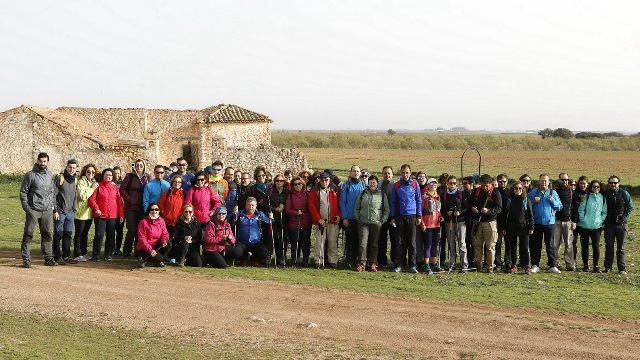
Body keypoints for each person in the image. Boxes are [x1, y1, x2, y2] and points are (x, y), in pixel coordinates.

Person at [19, 152, 57, 267]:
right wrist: (27, 209)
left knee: (47, 234)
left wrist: (53, 207)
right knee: (28, 234)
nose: (42, 163)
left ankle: (48, 258)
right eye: (41, 161)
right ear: (37, 161)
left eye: (45, 161)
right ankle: (26, 258)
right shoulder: (30, 175)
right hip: (33, 210)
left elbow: (53, 193)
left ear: (48, 162)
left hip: (47, 210)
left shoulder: (50, 175)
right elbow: (23, 192)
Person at [389, 164, 422, 273]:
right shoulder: (397, 185)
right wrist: (392, 216)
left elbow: (418, 201)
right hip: (399, 216)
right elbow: (393, 202)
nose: (405, 174)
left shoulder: (415, 184)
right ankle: (398, 265)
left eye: (407, 172)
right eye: (403, 172)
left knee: (412, 243)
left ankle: (412, 265)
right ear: (400, 173)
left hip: (412, 216)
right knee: (399, 242)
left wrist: (419, 215)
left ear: (410, 173)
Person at [185, 171, 222, 267]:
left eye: (202, 179)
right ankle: (194, 259)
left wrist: (213, 211)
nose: (200, 181)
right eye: (198, 180)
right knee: (195, 240)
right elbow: (188, 204)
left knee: (206, 241)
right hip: (195, 221)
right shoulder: (192, 190)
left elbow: (217, 201)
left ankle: (206, 260)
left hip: (206, 220)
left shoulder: (208, 190)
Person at [528, 173, 562, 274]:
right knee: (536, 245)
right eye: (542, 180)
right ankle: (535, 265)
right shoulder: (534, 192)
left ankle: (552, 265)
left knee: (551, 245)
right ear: (539, 181)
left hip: (549, 223)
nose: (544, 182)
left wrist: (552, 201)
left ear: (549, 182)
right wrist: (533, 201)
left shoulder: (553, 193)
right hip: (537, 223)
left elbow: (559, 207)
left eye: (545, 181)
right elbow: (527, 205)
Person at [88, 168, 125, 261]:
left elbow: (119, 202)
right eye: (106, 175)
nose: (108, 176)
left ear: (112, 177)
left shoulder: (115, 187)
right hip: (101, 215)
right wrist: (96, 209)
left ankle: (108, 254)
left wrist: (121, 214)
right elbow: (92, 199)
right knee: (99, 235)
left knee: (110, 235)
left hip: (112, 215)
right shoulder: (98, 186)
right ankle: (96, 254)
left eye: (110, 175)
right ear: (103, 175)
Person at [353, 175, 388, 272]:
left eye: (374, 183)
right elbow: (357, 206)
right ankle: (362, 264)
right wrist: (358, 218)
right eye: (371, 182)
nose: (372, 184)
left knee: (374, 244)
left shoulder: (382, 195)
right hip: (363, 222)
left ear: (377, 184)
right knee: (362, 244)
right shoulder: (363, 193)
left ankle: (373, 263)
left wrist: (382, 221)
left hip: (376, 223)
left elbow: (386, 210)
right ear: (368, 183)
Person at [470, 174, 502, 273]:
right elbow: (470, 203)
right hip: (477, 222)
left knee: (490, 246)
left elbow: (499, 208)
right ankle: (478, 264)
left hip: (490, 222)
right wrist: (473, 208)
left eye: (487, 186)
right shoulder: (476, 191)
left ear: (490, 184)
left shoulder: (495, 193)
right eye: (483, 185)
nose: (485, 188)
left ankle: (490, 266)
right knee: (477, 244)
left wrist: (488, 211)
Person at [120, 159, 151, 258]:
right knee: (132, 229)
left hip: (142, 207)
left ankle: (138, 252)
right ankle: (126, 251)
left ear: (144, 166)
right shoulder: (129, 176)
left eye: (141, 165)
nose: (139, 167)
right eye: (137, 165)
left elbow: (150, 190)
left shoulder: (147, 177)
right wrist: (129, 199)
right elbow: (122, 189)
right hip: (131, 207)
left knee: (140, 231)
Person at [603, 175, 634, 274]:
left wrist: (623, 218)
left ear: (618, 183)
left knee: (621, 247)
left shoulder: (624, 193)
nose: (613, 184)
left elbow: (630, 207)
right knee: (609, 247)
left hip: (621, 225)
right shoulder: (605, 194)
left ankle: (622, 268)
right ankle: (608, 267)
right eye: (611, 183)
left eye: (615, 183)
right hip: (609, 224)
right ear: (608, 184)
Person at [502, 180, 534, 274]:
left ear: (523, 189)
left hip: (524, 227)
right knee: (513, 247)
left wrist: (531, 226)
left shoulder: (526, 200)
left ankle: (527, 266)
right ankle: (514, 265)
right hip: (511, 227)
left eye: (520, 188)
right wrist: (504, 227)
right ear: (513, 189)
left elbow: (530, 214)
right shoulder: (509, 200)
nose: (518, 190)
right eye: (516, 188)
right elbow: (504, 214)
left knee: (524, 247)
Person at [52, 159, 78, 265]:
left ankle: (66, 256)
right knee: (58, 234)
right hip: (60, 212)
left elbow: (75, 195)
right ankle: (57, 256)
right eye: (70, 167)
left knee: (68, 234)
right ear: (66, 167)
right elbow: (53, 195)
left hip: (70, 213)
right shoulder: (60, 178)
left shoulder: (75, 180)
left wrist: (74, 209)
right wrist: (55, 210)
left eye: (73, 168)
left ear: (76, 169)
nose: (71, 170)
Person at [577, 180, 607, 273]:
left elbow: (604, 212)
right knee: (584, 246)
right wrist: (583, 219)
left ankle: (596, 266)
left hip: (597, 226)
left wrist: (600, 220)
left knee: (596, 246)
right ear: (591, 187)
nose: (596, 188)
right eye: (594, 187)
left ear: (600, 188)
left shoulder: (603, 198)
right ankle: (585, 265)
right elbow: (581, 209)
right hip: (584, 226)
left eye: (598, 187)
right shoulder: (587, 197)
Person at [339, 165, 365, 268]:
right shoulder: (346, 185)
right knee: (349, 240)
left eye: (358, 171)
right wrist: (344, 217)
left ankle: (357, 259)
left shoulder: (364, 184)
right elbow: (342, 202)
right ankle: (348, 260)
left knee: (359, 241)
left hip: (361, 218)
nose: (356, 173)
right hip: (349, 218)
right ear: (350, 173)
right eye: (354, 171)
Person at [235, 197, 273, 265]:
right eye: (249, 205)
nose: (250, 207)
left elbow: (269, 223)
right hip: (242, 242)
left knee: (264, 252)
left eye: (252, 205)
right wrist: (234, 214)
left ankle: (253, 259)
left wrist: (271, 218)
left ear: (256, 206)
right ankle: (244, 258)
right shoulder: (240, 213)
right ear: (245, 205)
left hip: (256, 242)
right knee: (236, 252)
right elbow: (230, 221)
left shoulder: (260, 214)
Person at [442, 175, 468, 271]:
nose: (452, 185)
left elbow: (466, 208)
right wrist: (447, 213)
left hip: (460, 222)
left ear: (456, 184)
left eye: (454, 183)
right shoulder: (444, 195)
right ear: (447, 184)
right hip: (448, 222)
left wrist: (459, 212)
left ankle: (464, 264)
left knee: (462, 243)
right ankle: (452, 263)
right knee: (451, 244)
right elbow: (441, 209)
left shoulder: (461, 194)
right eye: (450, 183)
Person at [135, 203, 171, 268]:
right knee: (159, 258)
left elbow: (165, 233)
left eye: (156, 209)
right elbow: (141, 239)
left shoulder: (161, 221)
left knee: (168, 244)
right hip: (144, 248)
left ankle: (157, 260)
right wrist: (150, 250)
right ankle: (142, 258)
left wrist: (164, 241)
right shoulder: (143, 222)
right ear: (149, 210)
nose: (154, 211)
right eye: (152, 209)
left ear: (159, 211)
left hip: (156, 246)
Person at [286, 176, 312, 266]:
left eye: (299, 184)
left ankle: (305, 259)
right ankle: (294, 259)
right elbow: (288, 209)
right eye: (295, 184)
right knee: (294, 242)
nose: (297, 186)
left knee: (305, 242)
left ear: (302, 184)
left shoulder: (307, 194)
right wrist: (296, 212)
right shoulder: (291, 196)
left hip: (306, 223)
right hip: (294, 223)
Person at [420, 177, 444, 274]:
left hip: (436, 225)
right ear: (428, 185)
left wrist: (441, 217)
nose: (433, 185)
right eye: (431, 183)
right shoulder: (424, 197)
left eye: (435, 184)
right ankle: (426, 264)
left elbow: (438, 211)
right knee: (428, 244)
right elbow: (420, 211)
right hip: (427, 225)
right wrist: (422, 223)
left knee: (435, 244)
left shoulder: (438, 196)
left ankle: (434, 264)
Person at [554, 172, 576, 271]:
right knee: (555, 244)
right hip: (556, 221)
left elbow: (575, 207)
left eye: (566, 180)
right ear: (559, 180)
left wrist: (574, 221)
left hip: (568, 221)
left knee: (568, 244)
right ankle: (554, 263)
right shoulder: (554, 191)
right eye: (562, 179)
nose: (564, 181)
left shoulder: (571, 192)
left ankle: (570, 264)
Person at [269, 174, 290, 266]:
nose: (279, 182)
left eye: (281, 181)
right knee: (274, 237)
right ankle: (275, 255)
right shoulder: (270, 191)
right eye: (277, 180)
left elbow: (290, 203)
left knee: (283, 238)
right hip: (273, 217)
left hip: (284, 218)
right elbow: (266, 204)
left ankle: (282, 256)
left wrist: (284, 206)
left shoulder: (287, 192)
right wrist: (274, 209)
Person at [378, 166, 396, 268]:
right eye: (385, 173)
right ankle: (382, 261)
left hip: (393, 217)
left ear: (392, 174)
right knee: (382, 240)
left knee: (394, 240)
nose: (387, 175)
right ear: (382, 174)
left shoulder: (396, 185)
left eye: (389, 173)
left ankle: (394, 260)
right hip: (381, 217)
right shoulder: (379, 185)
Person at [494, 174, 509, 271]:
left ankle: (508, 263)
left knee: (509, 244)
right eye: (500, 181)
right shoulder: (495, 192)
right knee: (497, 243)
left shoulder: (510, 193)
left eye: (504, 181)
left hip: (508, 222)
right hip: (497, 221)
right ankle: (498, 263)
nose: (502, 183)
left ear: (507, 182)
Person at [112, 165, 125, 256]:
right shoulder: (110, 183)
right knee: (111, 230)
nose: (117, 175)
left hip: (121, 209)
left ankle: (118, 248)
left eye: (118, 173)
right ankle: (112, 248)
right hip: (112, 210)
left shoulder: (123, 184)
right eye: (115, 173)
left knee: (119, 231)